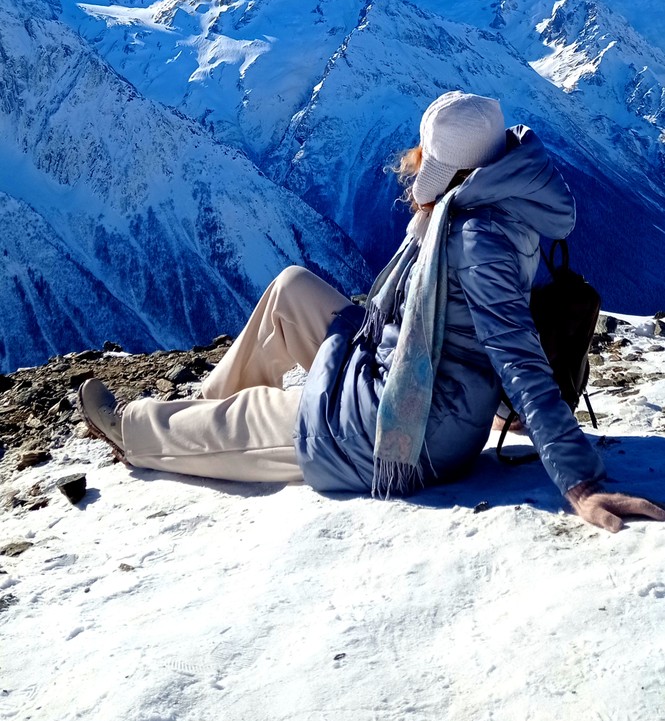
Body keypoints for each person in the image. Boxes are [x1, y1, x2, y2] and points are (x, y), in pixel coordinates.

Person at [79, 91, 664, 534]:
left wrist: (579, 482)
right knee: (291, 289)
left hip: (410, 428)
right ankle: (201, 410)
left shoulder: (475, 237)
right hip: (402, 362)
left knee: (252, 417)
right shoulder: (492, 195)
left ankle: (140, 431)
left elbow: (518, 356)